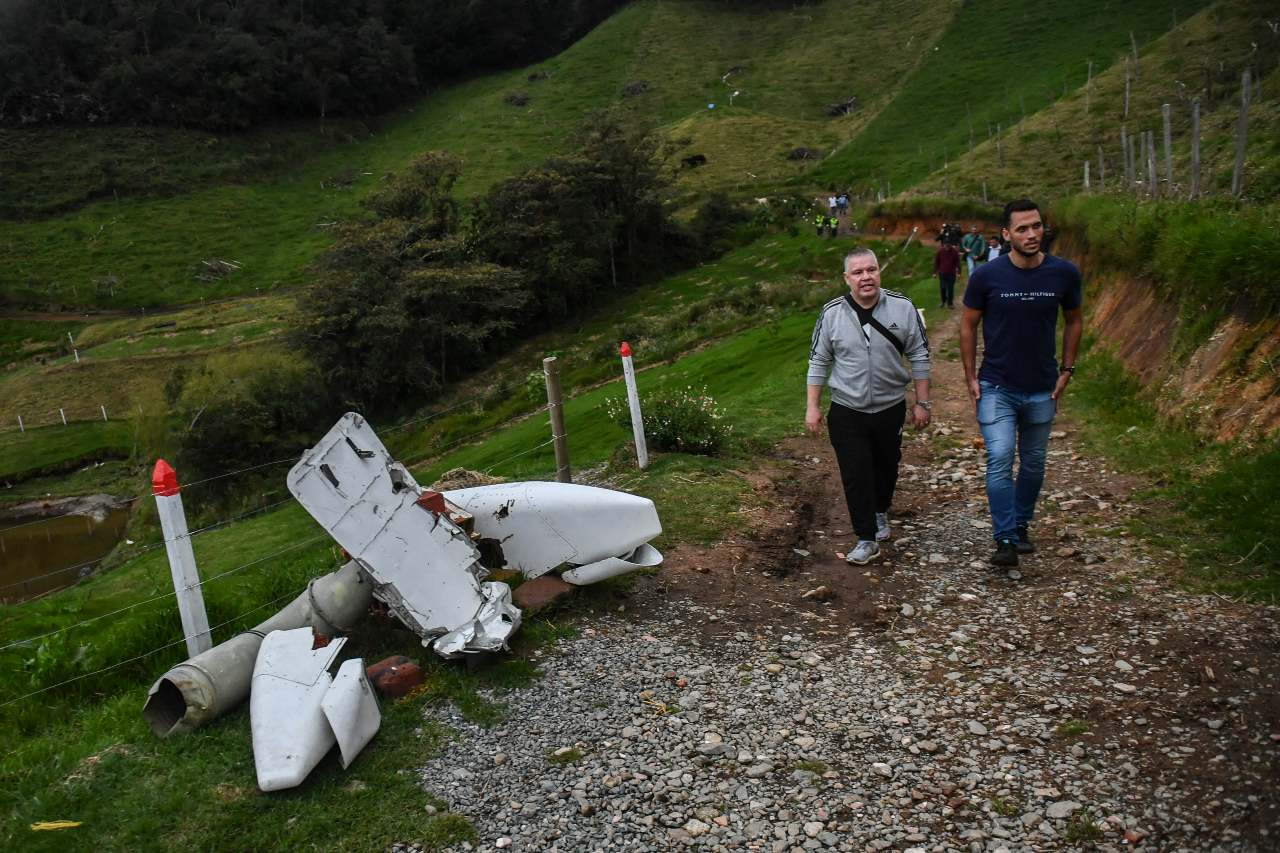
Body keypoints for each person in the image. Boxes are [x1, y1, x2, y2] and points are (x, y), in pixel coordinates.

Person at [960, 199, 1083, 568]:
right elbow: (968, 325)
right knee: (999, 457)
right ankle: (1006, 538)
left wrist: (1067, 370)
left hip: (1042, 387)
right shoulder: (987, 276)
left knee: (1033, 463)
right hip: (997, 385)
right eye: (1023, 229)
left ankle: (1021, 523)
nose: (1032, 234)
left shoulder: (1064, 273)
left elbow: (1075, 320)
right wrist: (969, 376)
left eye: (1037, 226)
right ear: (1007, 234)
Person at [806, 248, 932, 565]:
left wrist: (923, 402)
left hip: (890, 406)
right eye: (858, 272)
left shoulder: (903, 308)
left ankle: (879, 511)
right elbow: (819, 360)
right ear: (847, 278)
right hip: (847, 408)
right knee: (856, 471)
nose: (866, 277)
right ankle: (865, 537)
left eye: (871, 270)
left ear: (879, 273)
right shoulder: (832, 313)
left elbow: (919, 355)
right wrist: (813, 406)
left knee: (886, 466)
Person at [933, 240, 961, 308]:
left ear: (950, 245)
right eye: (946, 246)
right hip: (942, 273)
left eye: (948, 246)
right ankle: (943, 301)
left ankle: (950, 303)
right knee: (943, 288)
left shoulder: (954, 252)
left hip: (951, 273)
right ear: (944, 245)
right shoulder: (940, 252)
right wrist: (934, 272)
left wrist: (959, 272)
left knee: (950, 288)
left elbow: (958, 262)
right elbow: (936, 262)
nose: (947, 248)